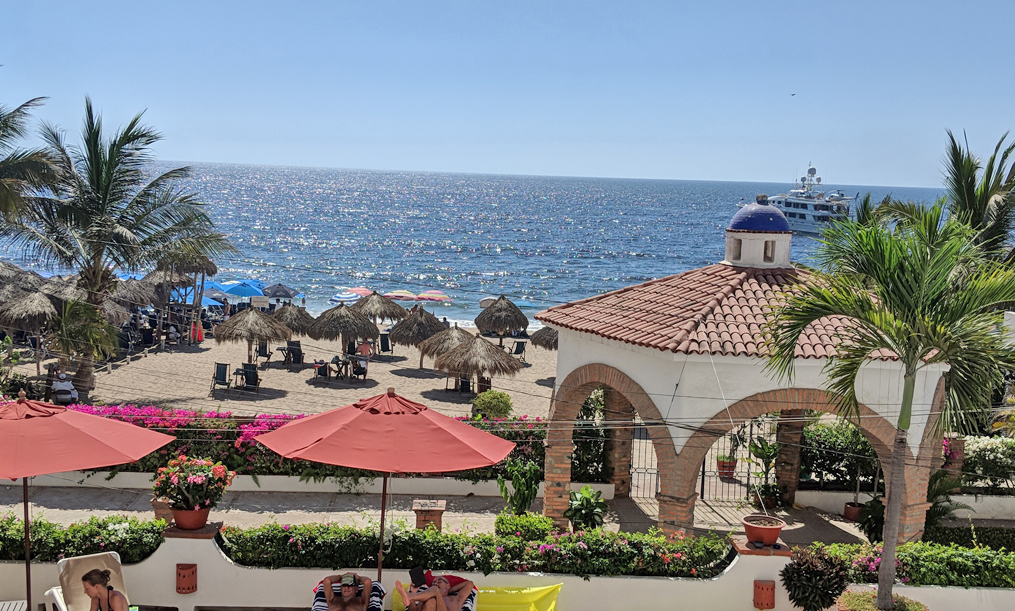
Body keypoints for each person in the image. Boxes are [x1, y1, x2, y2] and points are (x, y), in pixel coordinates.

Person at [395, 575, 476, 611]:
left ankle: (410, 596)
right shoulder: (426, 596)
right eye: (434, 582)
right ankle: (411, 597)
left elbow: (469, 583)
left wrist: (447, 590)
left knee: (435, 590)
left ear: (448, 585)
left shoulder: (456, 598)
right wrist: (413, 591)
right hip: (428, 600)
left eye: (439, 581)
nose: (436, 583)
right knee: (431, 601)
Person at [315, 572, 385, 611]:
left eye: (350, 586)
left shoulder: (361, 602)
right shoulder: (333, 600)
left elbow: (367, 582)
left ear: (357, 589)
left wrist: (359, 578)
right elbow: (327, 581)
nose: (346, 588)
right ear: (341, 588)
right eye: (344, 585)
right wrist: (341, 576)